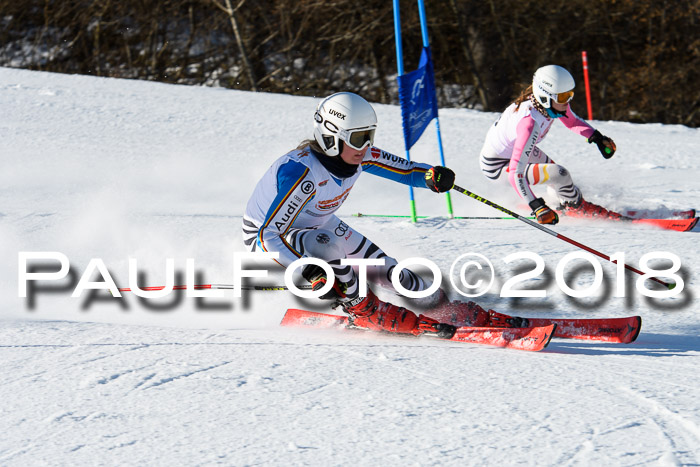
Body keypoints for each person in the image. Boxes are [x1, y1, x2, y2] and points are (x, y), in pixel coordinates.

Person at [242, 92, 516, 338]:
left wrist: (431, 177)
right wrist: (307, 269)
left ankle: (440, 306)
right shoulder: (301, 173)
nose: (366, 146)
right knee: (328, 249)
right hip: (270, 239)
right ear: (331, 137)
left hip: (319, 224)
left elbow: (406, 170)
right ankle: (362, 309)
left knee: (390, 271)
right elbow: (267, 237)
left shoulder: (359, 155)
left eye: (369, 135)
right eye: (358, 138)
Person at [479, 64, 619, 225]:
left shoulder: (547, 104)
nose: (567, 101)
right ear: (545, 96)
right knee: (560, 174)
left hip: (510, 154)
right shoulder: (529, 124)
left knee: (557, 177)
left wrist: (597, 138)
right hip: (498, 168)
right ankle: (575, 207)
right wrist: (537, 207)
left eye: (569, 95)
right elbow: (515, 174)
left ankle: (564, 203)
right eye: (562, 97)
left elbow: (572, 121)